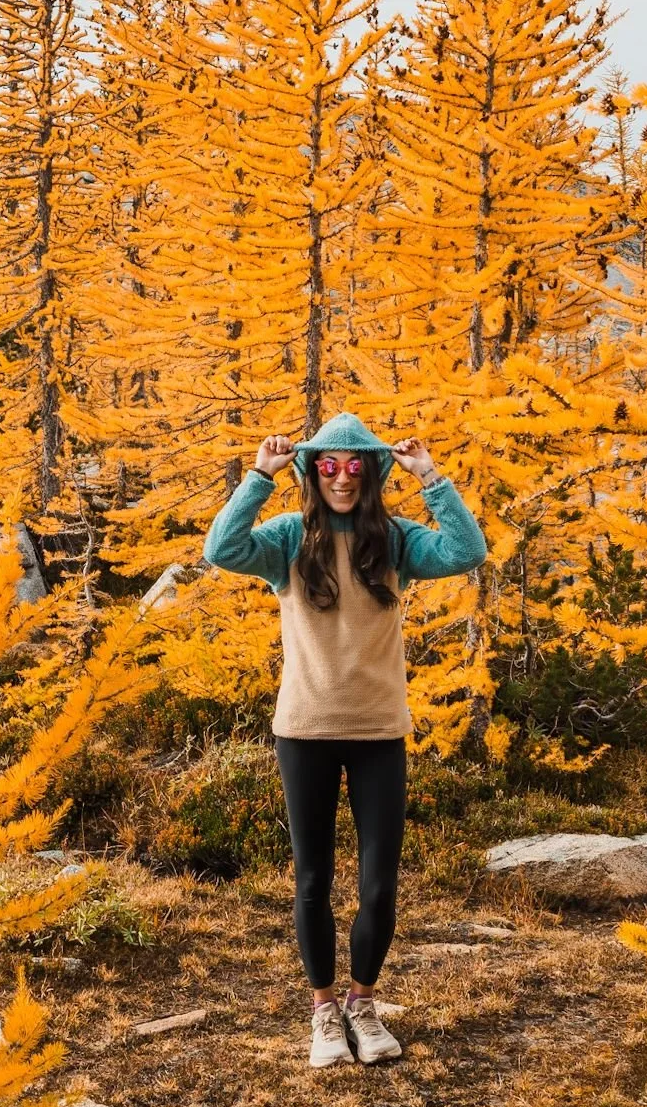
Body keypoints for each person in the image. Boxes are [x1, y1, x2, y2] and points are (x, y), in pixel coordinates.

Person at [202, 412, 488, 1068]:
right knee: (312, 880)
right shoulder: (285, 540)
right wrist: (257, 476)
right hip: (303, 731)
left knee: (379, 883)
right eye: (326, 464)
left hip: (379, 731)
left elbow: (467, 551)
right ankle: (324, 1011)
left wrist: (432, 476)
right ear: (311, 471)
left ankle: (363, 1002)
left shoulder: (396, 542)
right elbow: (220, 549)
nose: (340, 476)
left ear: (373, 472)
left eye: (354, 464)